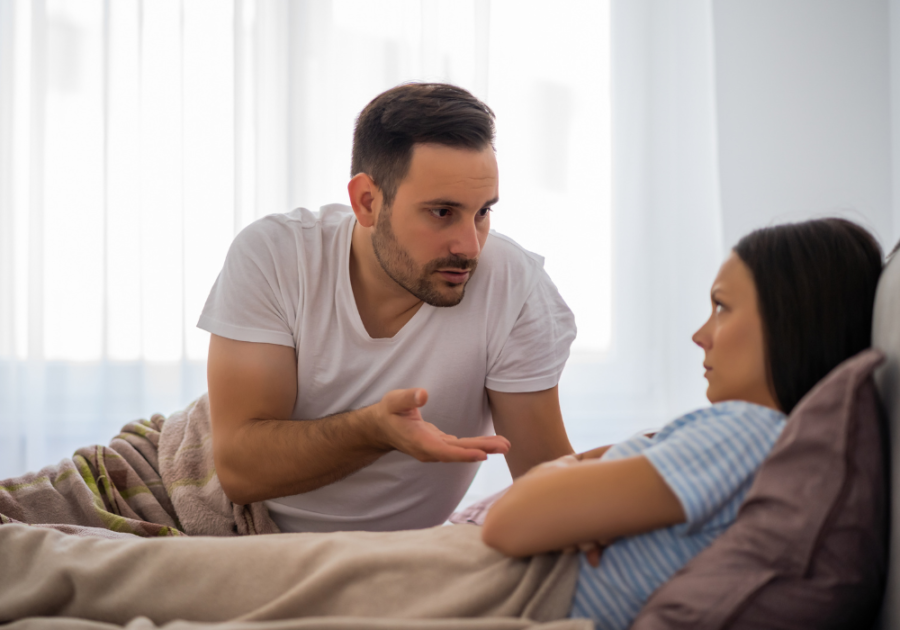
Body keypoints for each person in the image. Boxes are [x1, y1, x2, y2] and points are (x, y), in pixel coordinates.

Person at [1, 218, 883, 630]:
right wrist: (585, 482)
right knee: (153, 578)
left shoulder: (746, 435)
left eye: (723, 308)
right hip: (197, 479)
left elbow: (517, 515)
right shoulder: (754, 447)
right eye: (442, 213)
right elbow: (552, 496)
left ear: (792, 321)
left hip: (487, 574)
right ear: (367, 200)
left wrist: (574, 483)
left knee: (153, 583)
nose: (700, 333)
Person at [197, 82, 577, 533]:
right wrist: (371, 432)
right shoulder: (277, 255)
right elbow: (240, 472)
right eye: (442, 212)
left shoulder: (515, 288)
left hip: (382, 554)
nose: (470, 247)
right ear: (367, 202)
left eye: (482, 212)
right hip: (202, 494)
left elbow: (548, 483)